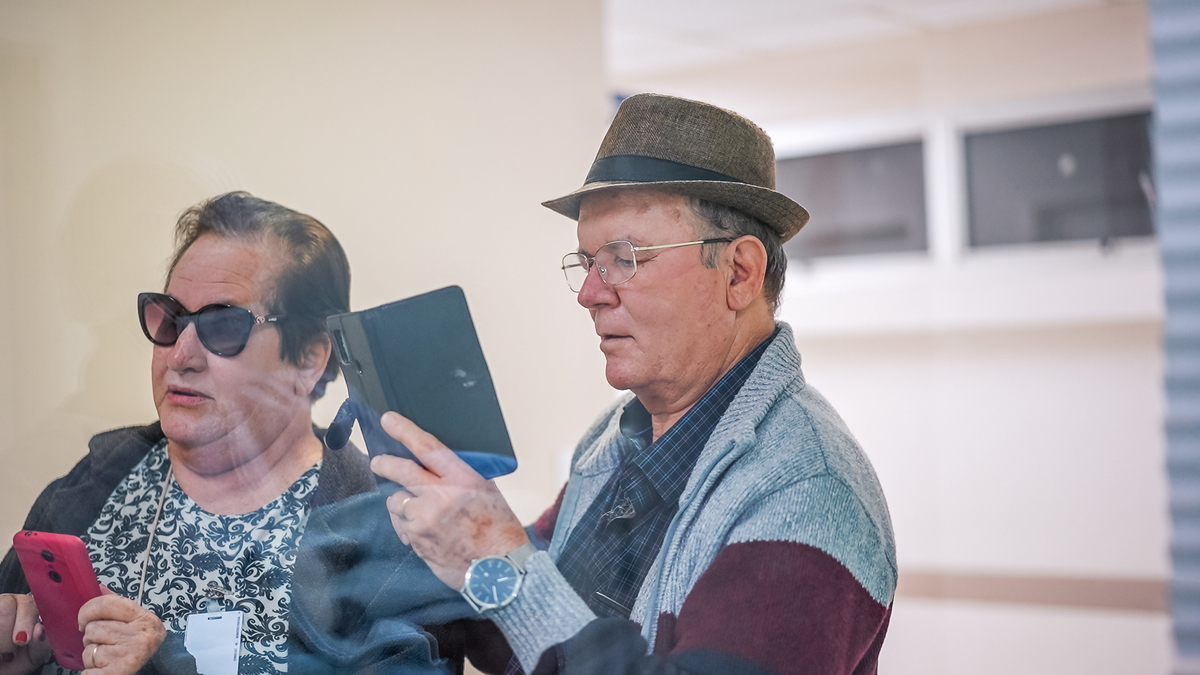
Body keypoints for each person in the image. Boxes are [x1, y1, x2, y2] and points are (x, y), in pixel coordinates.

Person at [371, 93, 897, 674]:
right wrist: (446, 540)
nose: (589, 293)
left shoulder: (806, 490)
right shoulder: (613, 438)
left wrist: (499, 559)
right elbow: (529, 643)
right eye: (587, 262)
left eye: (624, 258)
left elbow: (527, 598)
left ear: (740, 274)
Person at [0, 192, 385, 674]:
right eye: (171, 318)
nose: (180, 355)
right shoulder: (95, 480)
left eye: (222, 326)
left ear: (308, 359)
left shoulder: (376, 529)